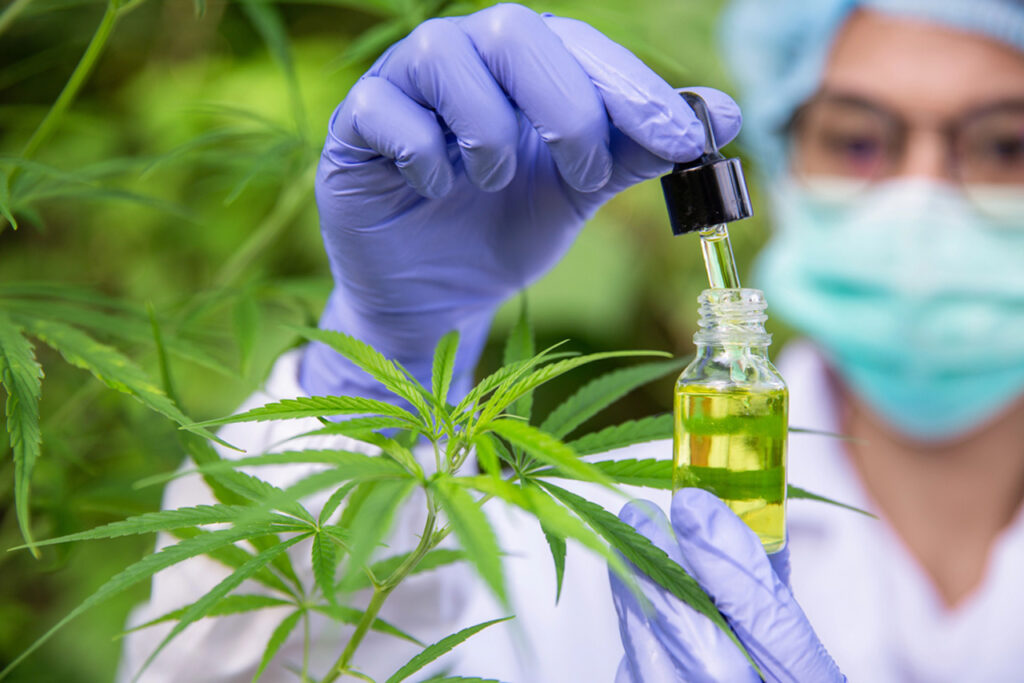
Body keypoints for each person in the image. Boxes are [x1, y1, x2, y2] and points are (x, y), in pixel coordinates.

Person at [118, 0, 1024, 681]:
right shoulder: (592, 529)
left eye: (1004, 146)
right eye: (860, 140)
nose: (922, 196)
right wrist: (374, 398)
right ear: (789, 157)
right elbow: (274, 651)